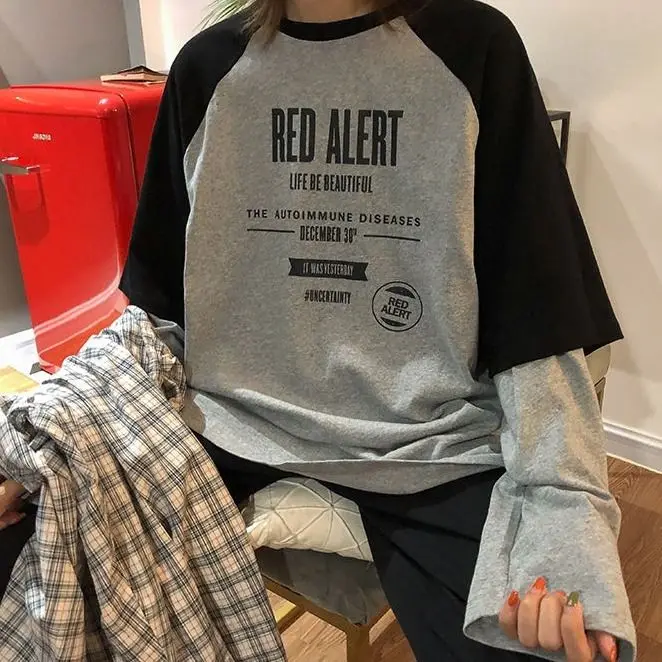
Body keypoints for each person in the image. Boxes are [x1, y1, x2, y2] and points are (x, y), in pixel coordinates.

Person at [1, 1, 635, 660]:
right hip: (226, 424)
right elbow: (161, 315)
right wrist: (57, 436)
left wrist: (566, 506)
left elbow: (535, 311)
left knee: (549, 648)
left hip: (424, 445)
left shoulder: (474, 47)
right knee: (28, 553)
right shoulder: (207, 67)